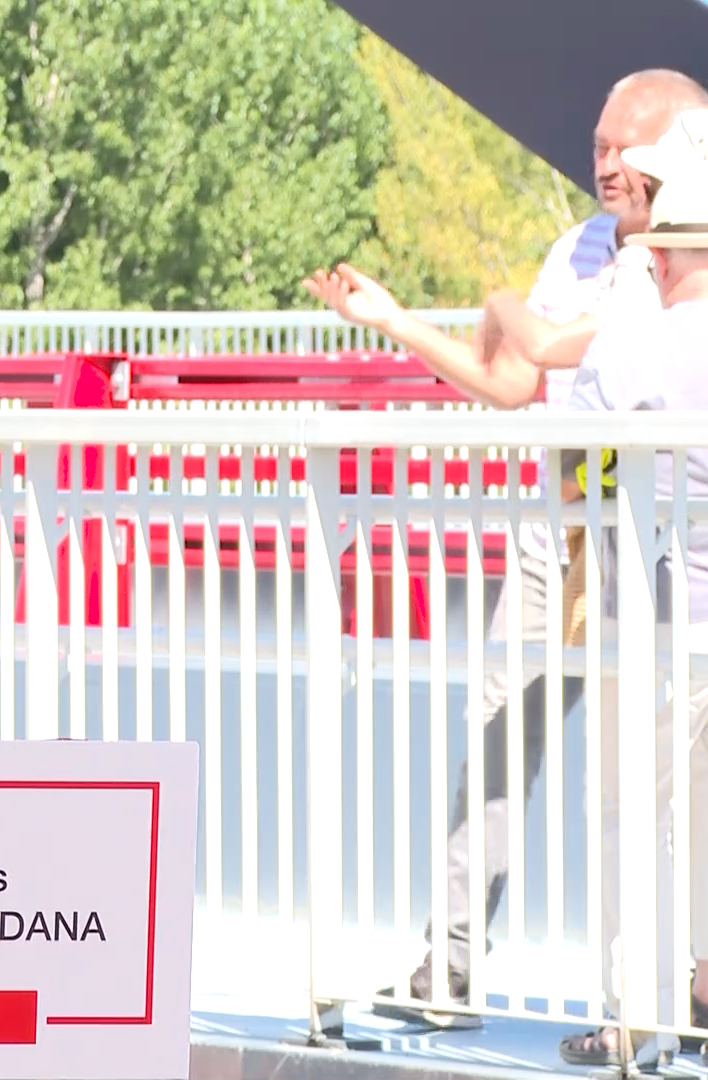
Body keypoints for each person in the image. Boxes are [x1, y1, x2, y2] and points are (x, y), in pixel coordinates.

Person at [301, 68, 708, 1030]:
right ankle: (450, 967)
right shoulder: (581, 246)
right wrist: (397, 322)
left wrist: (500, 303)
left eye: (624, 148)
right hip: (566, 536)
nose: (605, 163)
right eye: (599, 144)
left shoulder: (672, 271)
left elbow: (556, 343)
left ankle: (665, 995)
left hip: (657, 546)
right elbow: (514, 376)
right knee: (503, 736)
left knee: (656, 776)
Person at [549, 138, 708, 1068]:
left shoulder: (637, 343)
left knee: (625, 810)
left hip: (651, 616)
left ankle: (633, 1018)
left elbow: (572, 449)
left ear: (664, 254)